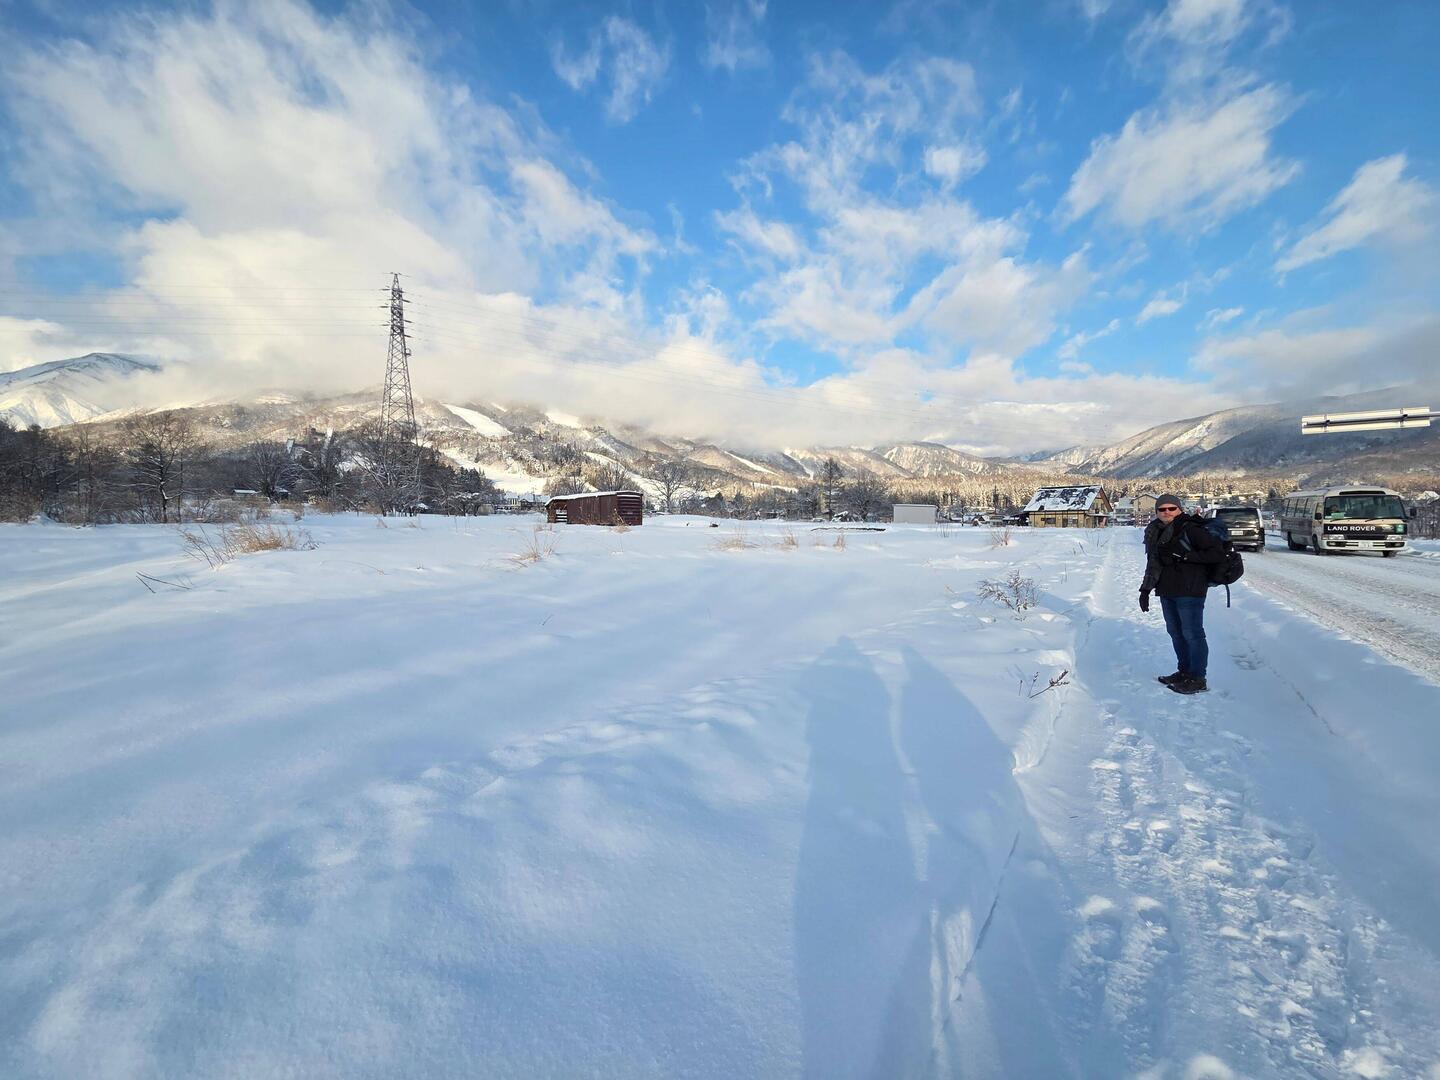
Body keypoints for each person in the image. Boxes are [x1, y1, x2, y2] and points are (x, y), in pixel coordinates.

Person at [1139, 494, 1224, 694]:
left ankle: (1198, 678)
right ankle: (1184, 672)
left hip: (1190, 589)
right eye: (1162, 509)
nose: (1167, 512)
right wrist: (1145, 590)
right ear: (1157, 511)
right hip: (1167, 589)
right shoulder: (1155, 531)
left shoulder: (1192, 529)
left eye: (1171, 508)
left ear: (1180, 509)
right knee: (1176, 633)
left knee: (1193, 634)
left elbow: (1216, 554)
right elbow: (1153, 564)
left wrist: (1186, 556)